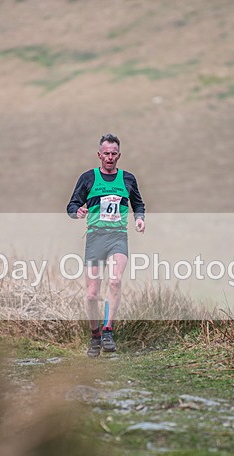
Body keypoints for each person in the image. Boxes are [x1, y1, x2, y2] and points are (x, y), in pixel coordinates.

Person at [66, 134, 146, 356]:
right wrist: (78, 212)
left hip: (118, 237)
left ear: (119, 156)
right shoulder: (88, 178)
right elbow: (71, 205)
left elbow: (138, 203)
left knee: (115, 280)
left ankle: (108, 329)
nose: (110, 158)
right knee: (92, 294)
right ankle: (95, 336)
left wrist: (139, 219)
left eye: (114, 154)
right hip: (94, 238)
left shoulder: (128, 179)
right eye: (106, 154)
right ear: (99, 155)